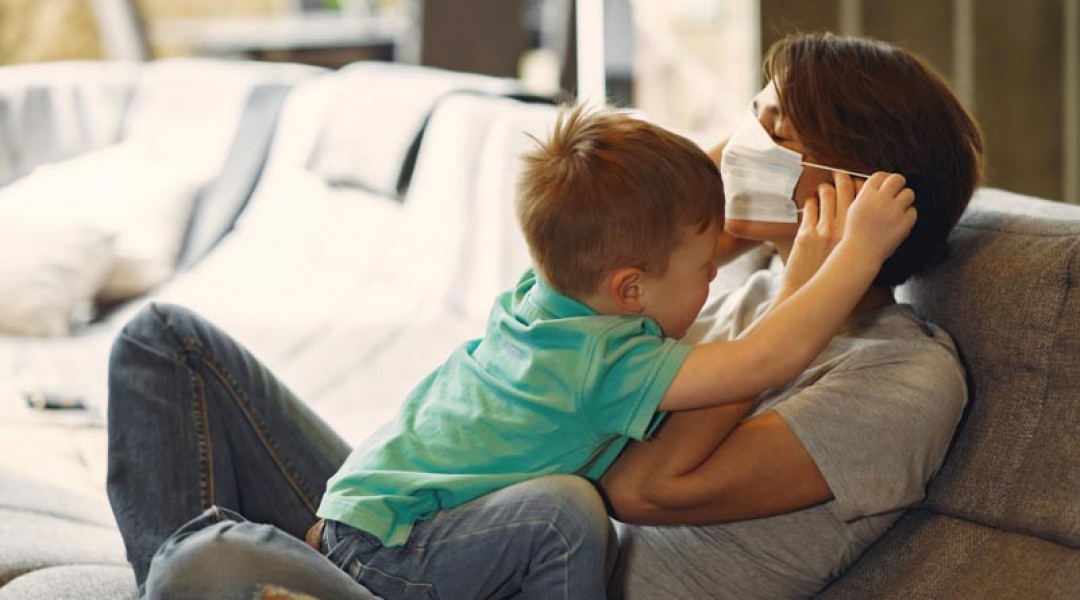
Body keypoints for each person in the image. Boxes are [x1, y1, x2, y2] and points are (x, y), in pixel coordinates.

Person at [107, 101, 915, 599]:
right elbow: (767, 356)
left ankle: (218, 578)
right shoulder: (613, 357)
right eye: (706, 270)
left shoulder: (558, 292)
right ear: (632, 287)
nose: (715, 277)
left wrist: (755, 236)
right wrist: (838, 258)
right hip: (398, 549)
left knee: (197, 539)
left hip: (378, 519)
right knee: (164, 352)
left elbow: (654, 229)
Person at [599, 32, 985, 599]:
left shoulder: (905, 377)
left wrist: (804, 292)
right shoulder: (755, 293)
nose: (739, 149)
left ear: (858, 187)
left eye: (774, 132)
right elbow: (572, 352)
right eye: (750, 118)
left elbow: (641, 488)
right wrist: (701, 228)